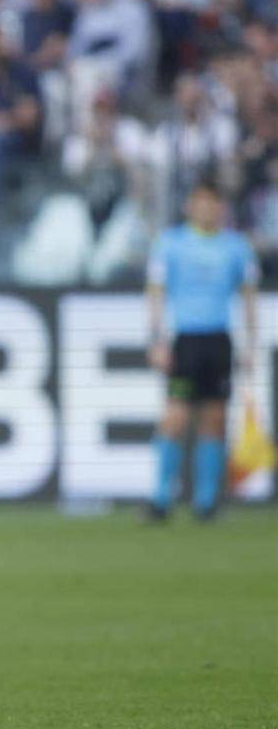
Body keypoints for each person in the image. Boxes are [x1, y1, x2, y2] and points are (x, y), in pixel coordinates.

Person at [147, 180, 259, 520]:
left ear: (221, 207)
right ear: (190, 206)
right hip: (186, 340)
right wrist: (156, 340)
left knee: (215, 419)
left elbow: (248, 299)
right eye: (201, 202)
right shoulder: (171, 243)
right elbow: (155, 294)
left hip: (218, 340)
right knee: (175, 417)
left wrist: (251, 344)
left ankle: (206, 502)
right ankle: (161, 498)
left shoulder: (236, 247)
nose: (207, 208)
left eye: (213, 202)